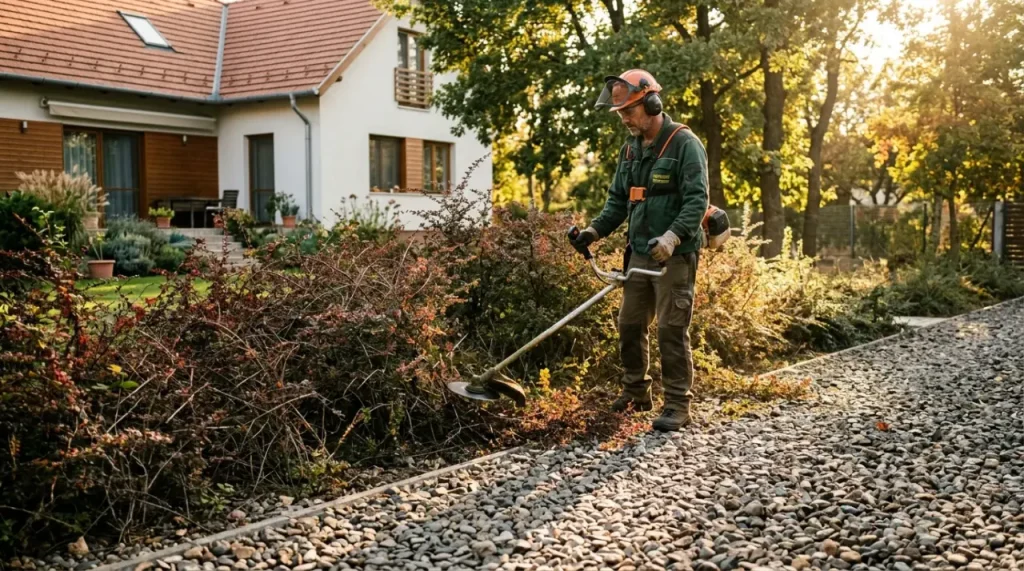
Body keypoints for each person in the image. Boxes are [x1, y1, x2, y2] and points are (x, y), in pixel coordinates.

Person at [571, 69, 709, 432]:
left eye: (629, 111)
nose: (624, 119)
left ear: (652, 103)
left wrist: (673, 236)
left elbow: (697, 200)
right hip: (640, 253)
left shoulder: (684, 144)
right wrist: (593, 231)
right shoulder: (630, 150)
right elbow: (618, 201)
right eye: (619, 113)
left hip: (674, 255)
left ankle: (678, 404)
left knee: (671, 329)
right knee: (630, 324)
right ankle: (636, 392)